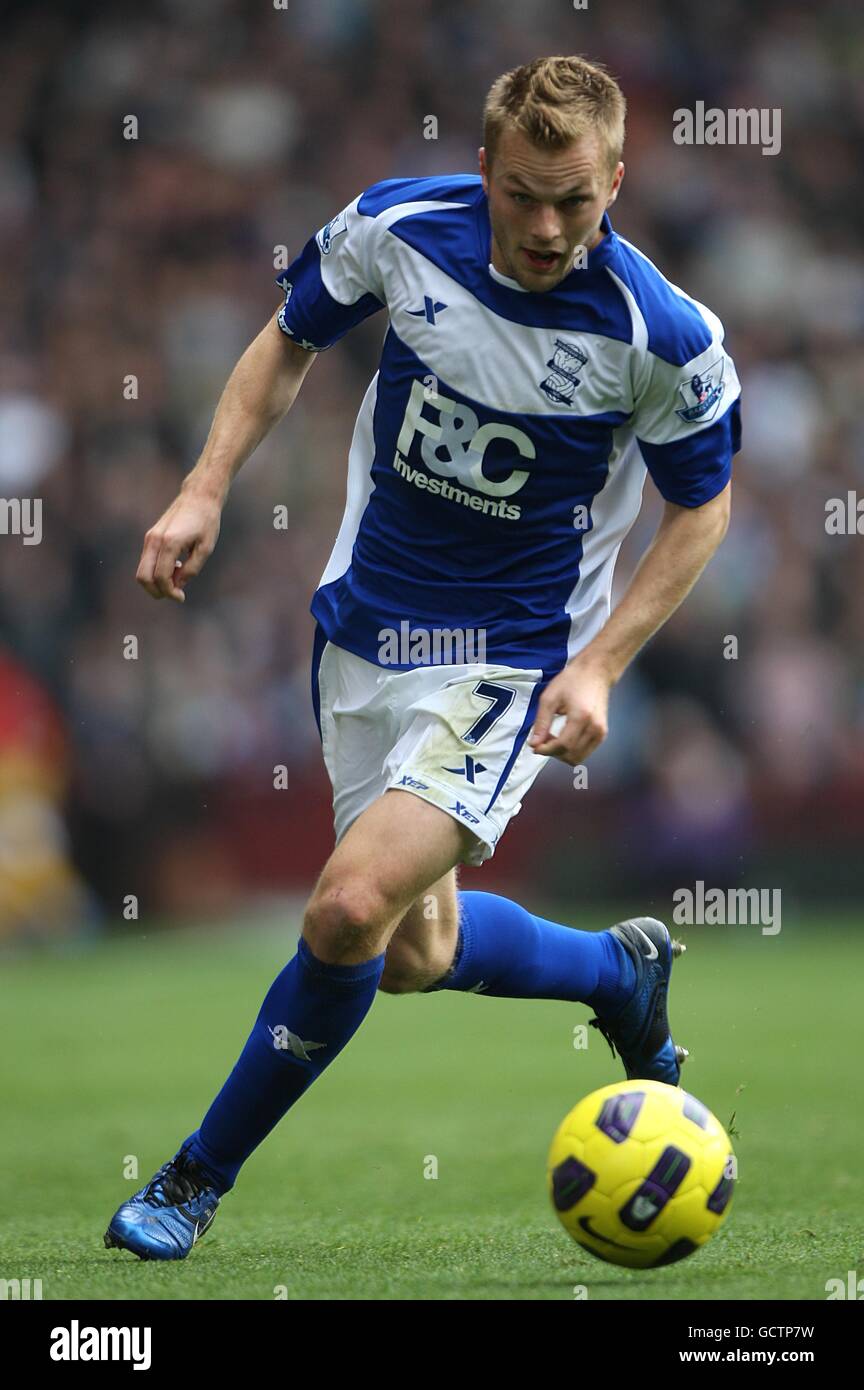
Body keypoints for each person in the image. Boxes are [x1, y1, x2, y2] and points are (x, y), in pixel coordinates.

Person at [105, 54, 740, 1260]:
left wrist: (600, 663)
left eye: (576, 200)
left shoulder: (660, 335)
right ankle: (615, 973)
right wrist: (202, 488)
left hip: (503, 659)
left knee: (346, 909)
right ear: (485, 170)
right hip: (363, 629)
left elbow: (701, 508)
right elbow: (285, 339)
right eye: (521, 196)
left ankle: (192, 1180)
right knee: (415, 953)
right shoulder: (399, 229)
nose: (548, 227)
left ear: (617, 177)